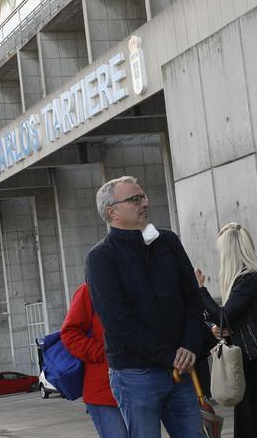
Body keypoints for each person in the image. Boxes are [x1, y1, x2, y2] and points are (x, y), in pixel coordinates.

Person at [86, 176, 204, 438]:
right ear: (112, 212)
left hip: (181, 369)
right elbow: (118, 322)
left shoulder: (168, 242)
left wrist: (189, 345)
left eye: (144, 196)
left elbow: (193, 299)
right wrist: (169, 355)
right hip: (135, 375)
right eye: (135, 199)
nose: (145, 203)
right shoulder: (101, 258)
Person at [195, 223, 257, 438]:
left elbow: (223, 316)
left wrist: (200, 290)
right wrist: (228, 329)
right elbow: (241, 319)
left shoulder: (249, 279)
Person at [62, 282, 125, 438]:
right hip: (103, 393)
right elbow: (69, 333)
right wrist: (104, 353)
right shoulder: (89, 290)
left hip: (137, 388)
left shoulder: (135, 284)